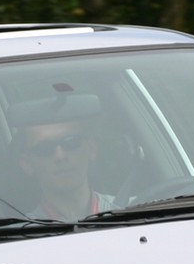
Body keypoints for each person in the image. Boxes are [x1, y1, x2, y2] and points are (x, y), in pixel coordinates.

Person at [7, 90, 115, 221]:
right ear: (27, 164)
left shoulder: (132, 214)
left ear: (91, 148)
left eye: (71, 142)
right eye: (44, 149)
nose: (60, 155)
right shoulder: (20, 236)